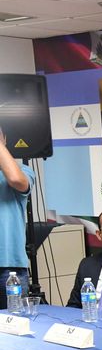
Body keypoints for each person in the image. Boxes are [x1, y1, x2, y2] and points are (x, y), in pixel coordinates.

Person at [0, 128, 35, 309]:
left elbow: (16, 180)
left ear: (4, 139)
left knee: (13, 322)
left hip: (9, 268)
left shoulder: (23, 170)